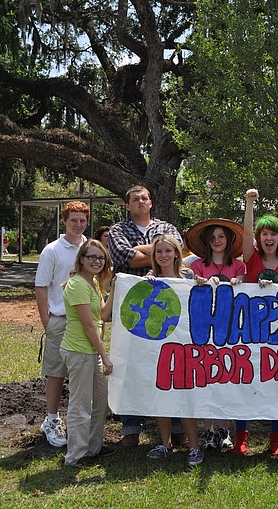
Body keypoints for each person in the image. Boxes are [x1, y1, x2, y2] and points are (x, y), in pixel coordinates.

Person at [107, 185, 182, 446]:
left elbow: (176, 251)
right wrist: (158, 250)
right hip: (133, 311)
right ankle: (130, 427)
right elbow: (122, 257)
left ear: (151, 203)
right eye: (135, 199)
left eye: (145, 198)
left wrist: (141, 249)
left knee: (171, 363)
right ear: (127, 205)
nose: (141, 201)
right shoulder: (117, 230)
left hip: (166, 311)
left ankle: (178, 427)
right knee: (130, 366)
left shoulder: (168, 227)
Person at [231, 189, 278, 456]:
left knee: (276, 384)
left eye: (273, 233)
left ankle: (275, 439)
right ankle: (241, 438)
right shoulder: (251, 257)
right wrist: (249, 203)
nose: (268, 238)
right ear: (259, 238)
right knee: (244, 381)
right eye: (264, 234)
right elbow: (245, 234)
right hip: (248, 328)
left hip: (277, 332)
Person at [143, 234, 204, 466]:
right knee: (162, 394)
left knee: (184, 394)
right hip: (158, 345)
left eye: (168, 251)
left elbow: (205, 293)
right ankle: (165, 444)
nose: (163, 256)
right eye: (159, 252)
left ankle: (194, 446)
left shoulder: (188, 275)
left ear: (177, 253)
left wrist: (204, 284)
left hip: (185, 345)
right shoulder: (149, 279)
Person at [186, 218, 246, 449]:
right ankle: (208, 430)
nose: (217, 241)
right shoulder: (198, 266)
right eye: (213, 237)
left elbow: (244, 284)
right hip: (203, 328)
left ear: (228, 240)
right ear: (207, 242)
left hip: (229, 328)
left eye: (221, 236)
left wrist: (239, 282)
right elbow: (190, 283)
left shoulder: (239, 267)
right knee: (205, 377)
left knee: (226, 377)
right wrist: (199, 281)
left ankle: (224, 429)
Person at [35, 200, 90, 447]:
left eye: (82, 220)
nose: (78, 225)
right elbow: (41, 286)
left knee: (83, 374)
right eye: (73, 220)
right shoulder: (53, 250)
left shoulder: (90, 248)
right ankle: (52, 420)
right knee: (56, 373)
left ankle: (80, 422)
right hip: (60, 320)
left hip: (86, 321)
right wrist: (47, 321)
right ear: (64, 221)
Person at [60, 239, 115, 467]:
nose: (96, 261)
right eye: (91, 256)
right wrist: (104, 355)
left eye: (100, 257)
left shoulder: (92, 283)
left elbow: (102, 315)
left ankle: (93, 449)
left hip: (92, 351)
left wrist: (115, 289)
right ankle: (75, 456)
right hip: (79, 351)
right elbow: (88, 325)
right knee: (80, 406)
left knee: (100, 403)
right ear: (81, 258)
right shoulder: (76, 285)